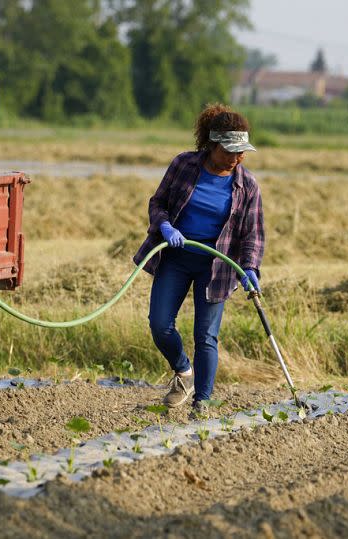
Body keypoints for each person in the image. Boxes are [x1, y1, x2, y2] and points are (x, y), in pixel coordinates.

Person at [133, 103, 265, 415]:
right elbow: (158, 202)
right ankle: (183, 371)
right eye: (230, 151)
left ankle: (202, 403)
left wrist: (249, 267)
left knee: (206, 336)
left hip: (217, 266)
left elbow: (252, 233)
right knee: (159, 324)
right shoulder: (184, 165)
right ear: (212, 145)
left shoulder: (247, 185)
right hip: (177, 257)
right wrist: (164, 225)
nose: (236, 158)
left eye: (241, 152)